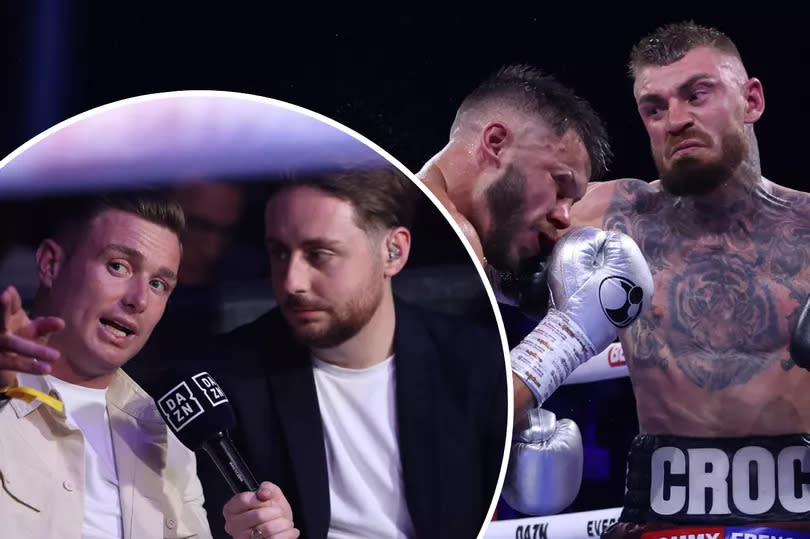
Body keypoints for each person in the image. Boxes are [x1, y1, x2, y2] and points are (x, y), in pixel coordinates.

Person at [566, 22, 810, 535]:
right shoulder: (611, 217)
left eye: (696, 94)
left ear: (752, 100)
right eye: (655, 108)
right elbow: (467, 219)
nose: (675, 120)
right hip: (660, 518)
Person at [197, 167, 508, 539]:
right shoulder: (228, 377)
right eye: (279, 253)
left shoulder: (476, 363)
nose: (291, 281)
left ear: (393, 252)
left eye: (319, 254)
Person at [418, 66, 654, 515]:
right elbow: (444, 426)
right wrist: (568, 337)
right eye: (559, 184)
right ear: (495, 143)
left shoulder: (452, 245)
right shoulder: (437, 239)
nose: (566, 215)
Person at [0, 192, 288, 538]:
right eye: (118, 266)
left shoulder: (165, 436)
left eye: (158, 284)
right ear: (50, 264)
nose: (138, 299)